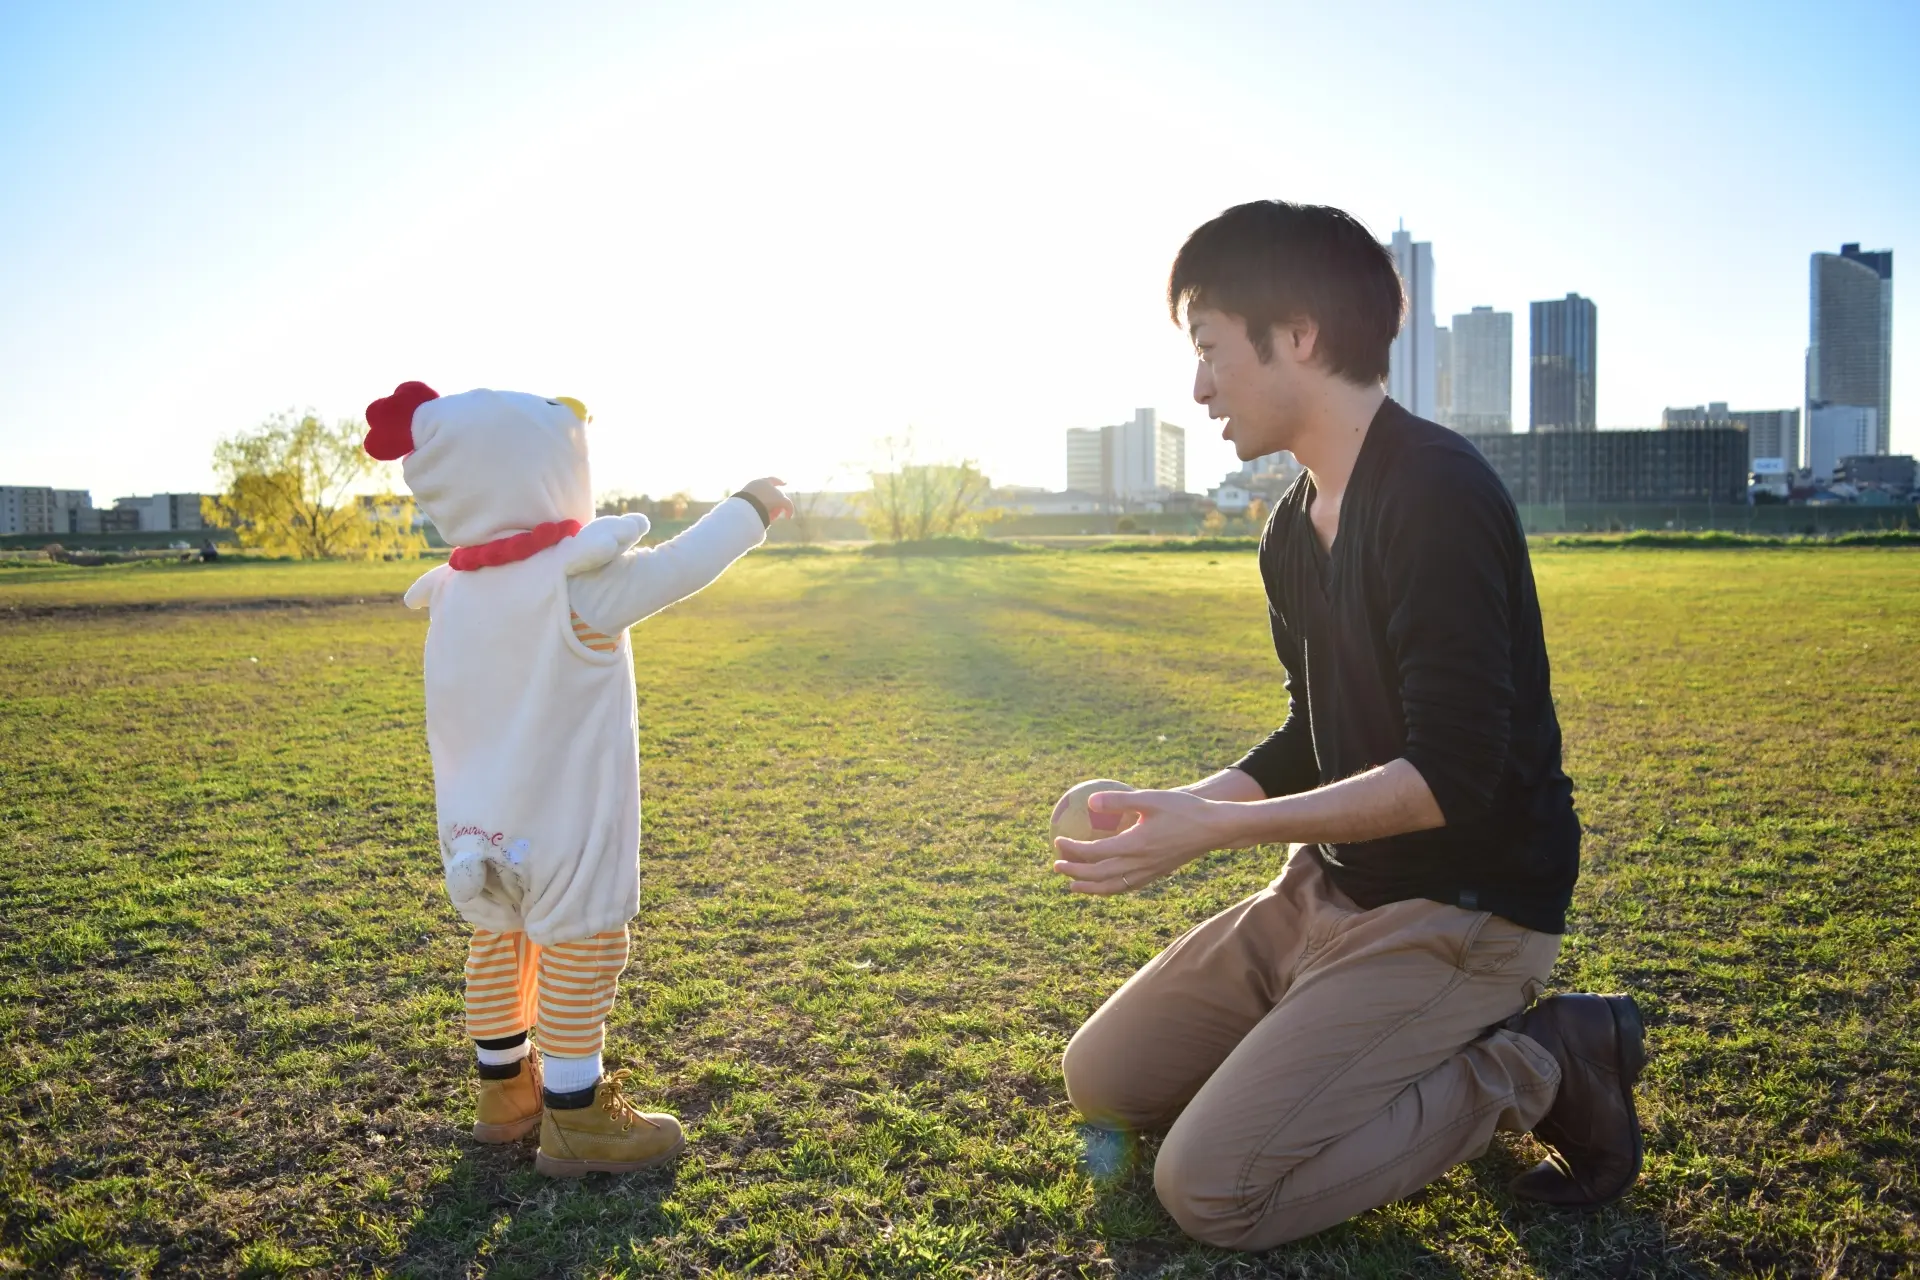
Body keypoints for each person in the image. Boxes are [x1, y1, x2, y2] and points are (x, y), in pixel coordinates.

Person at [1052, 201, 1645, 1250]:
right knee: (1103, 1079)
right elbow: (1311, 728)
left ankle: (1543, 1058)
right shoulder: (1292, 524)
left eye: (1208, 349)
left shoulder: (1436, 493)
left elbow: (1451, 771)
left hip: (1463, 912)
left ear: (1299, 335)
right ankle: (1312, 1032)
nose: (1197, 387)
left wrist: (1218, 833)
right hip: (1326, 889)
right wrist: (1183, 807)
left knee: (1214, 1190)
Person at [364, 381, 791, 1177]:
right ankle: (576, 1113)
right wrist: (751, 507)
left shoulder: (452, 591)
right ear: (547, 472)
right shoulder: (574, 582)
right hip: (565, 821)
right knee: (582, 947)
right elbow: (679, 565)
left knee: (501, 941)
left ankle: (505, 1094)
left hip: (477, 827)